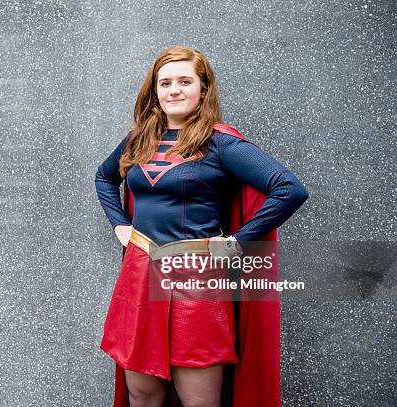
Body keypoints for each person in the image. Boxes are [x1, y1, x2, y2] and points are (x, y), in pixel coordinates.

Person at [94, 46, 309, 407]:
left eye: (184, 81)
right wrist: (120, 225)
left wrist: (236, 242)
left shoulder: (221, 143)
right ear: (155, 91)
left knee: (199, 401)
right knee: (142, 395)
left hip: (194, 279)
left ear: (203, 90)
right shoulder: (139, 138)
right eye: (165, 82)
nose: (174, 90)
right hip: (139, 273)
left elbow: (289, 189)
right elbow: (104, 177)